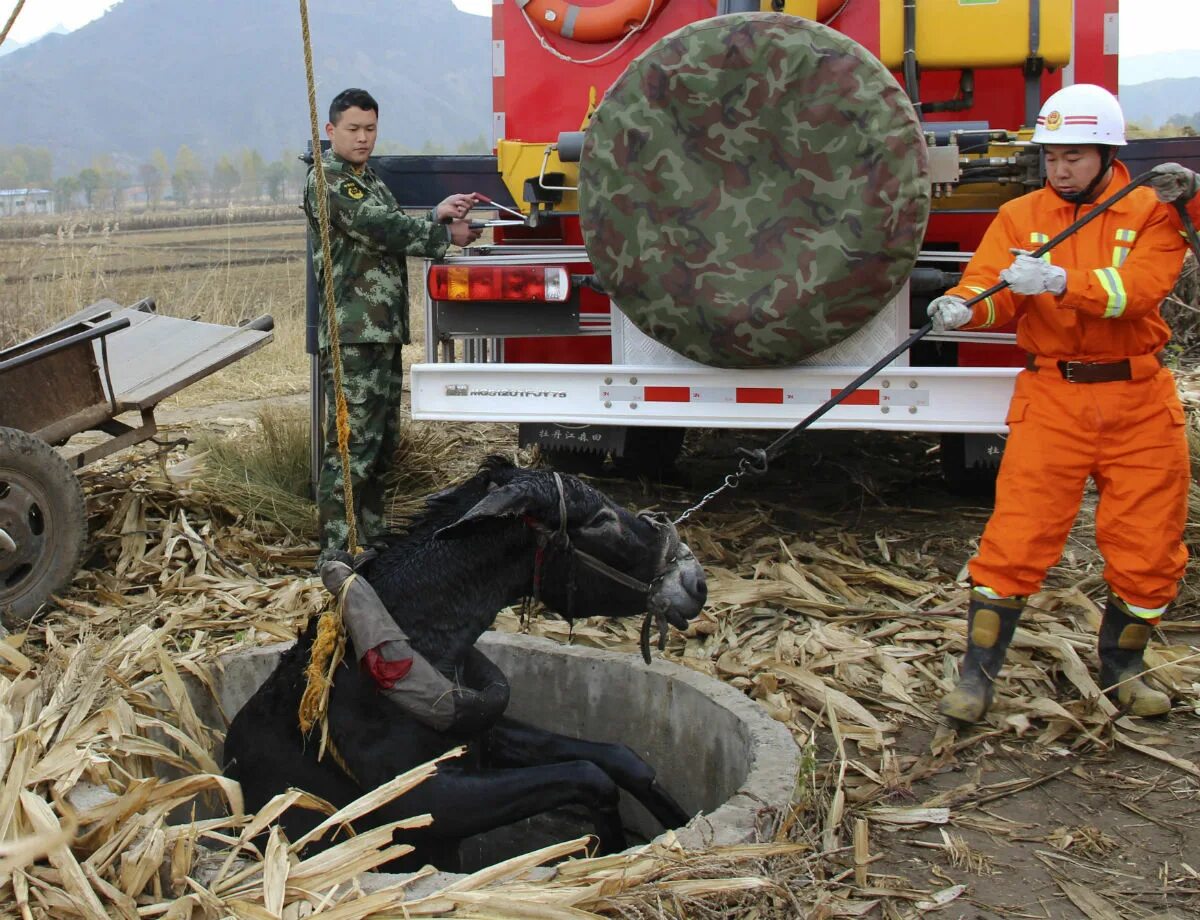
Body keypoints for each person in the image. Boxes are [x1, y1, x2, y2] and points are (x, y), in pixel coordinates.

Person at [927, 84, 1191, 723]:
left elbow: (1142, 292)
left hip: (1139, 398)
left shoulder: (1152, 212)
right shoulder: (1021, 216)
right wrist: (965, 308)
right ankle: (975, 680)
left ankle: (1124, 672)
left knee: (1149, 545)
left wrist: (1062, 281)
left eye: (1073, 156)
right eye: (1051, 157)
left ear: (1105, 153)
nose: (1060, 169)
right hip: (1053, 396)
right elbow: (993, 288)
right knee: (1017, 538)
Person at [305, 88, 481, 558]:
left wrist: (436, 213)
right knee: (350, 444)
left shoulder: (369, 179)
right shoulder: (328, 179)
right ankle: (338, 551)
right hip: (351, 334)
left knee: (382, 443)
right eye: (353, 130)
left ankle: (373, 538)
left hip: (381, 331)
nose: (363, 138)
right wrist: (444, 234)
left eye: (370, 129)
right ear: (330, 131)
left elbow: (385, 221)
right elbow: (379, 228)